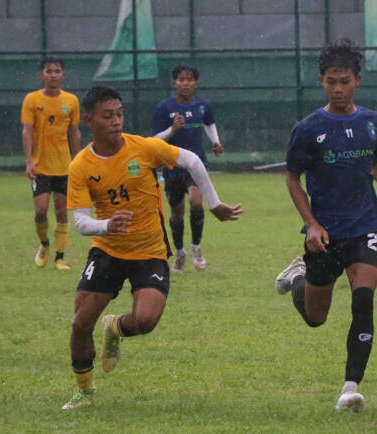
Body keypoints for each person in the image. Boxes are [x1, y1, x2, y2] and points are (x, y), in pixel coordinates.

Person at [61, 85, 242, 410]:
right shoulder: (81, 166)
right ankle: (84, 392)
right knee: (79, 323)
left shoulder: (143, 148)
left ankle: (115, 327)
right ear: (89, 120)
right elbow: (81, 222)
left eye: (119, 114)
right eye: (108, 115)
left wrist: (214, 205)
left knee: (145, 321)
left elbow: (191, 161)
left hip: (149, 252)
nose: (116, 121)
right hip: (107, 251)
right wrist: (106, 225)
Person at [274, 39, 377, 413]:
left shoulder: (371, 121)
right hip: (324, 232)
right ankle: (298, 276)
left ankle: (349, 388)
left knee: (364, 300)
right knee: (315, 318)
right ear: (322, 82)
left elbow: (373, 164)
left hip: (366, 224)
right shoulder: (308, 129)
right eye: (330, 82)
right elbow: (293, 179)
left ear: (357, 80)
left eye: (344, 81)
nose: (338, 89)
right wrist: (310, 225)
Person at [151, 65, 224, 274]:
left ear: (196, 83)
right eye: (181, 80)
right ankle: (180, 252)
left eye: (189, 79)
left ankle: (197, 248)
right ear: (175, 83)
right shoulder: (164, 108)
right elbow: (154, 140)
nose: (185, 83)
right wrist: (172, 129)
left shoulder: (203, 106)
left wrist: (216, 142)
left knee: (196, 201)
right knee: (177, 213)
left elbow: (209, 123)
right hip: (173, 165)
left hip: (197, 164)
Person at [21, 56, 82, 270]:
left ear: (63, 75)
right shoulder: (32, 100)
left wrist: (78, 161)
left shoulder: (71, 101)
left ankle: (60, 257)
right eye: (49, 71)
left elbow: (74, 132)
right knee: (40, 210)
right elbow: (27, 131)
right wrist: (29, 162)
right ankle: (44, 244)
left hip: (64, 167)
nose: (53, 75)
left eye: (57, 71)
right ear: (42, 75)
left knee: (62, 210)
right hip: (40, 167)